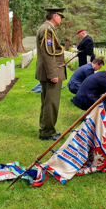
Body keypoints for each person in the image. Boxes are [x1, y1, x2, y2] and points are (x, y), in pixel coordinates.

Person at [35, 8, 67, 141]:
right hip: (52, 72)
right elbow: (49, 54)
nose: (62, 19)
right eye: (61, 16)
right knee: (51, 103)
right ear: (55, 16)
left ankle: (45, 129)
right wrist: (53, 74)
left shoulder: (45, 28)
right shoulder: (48, 30)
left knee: (47, 102)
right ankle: (48, 133)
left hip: (47, 72)